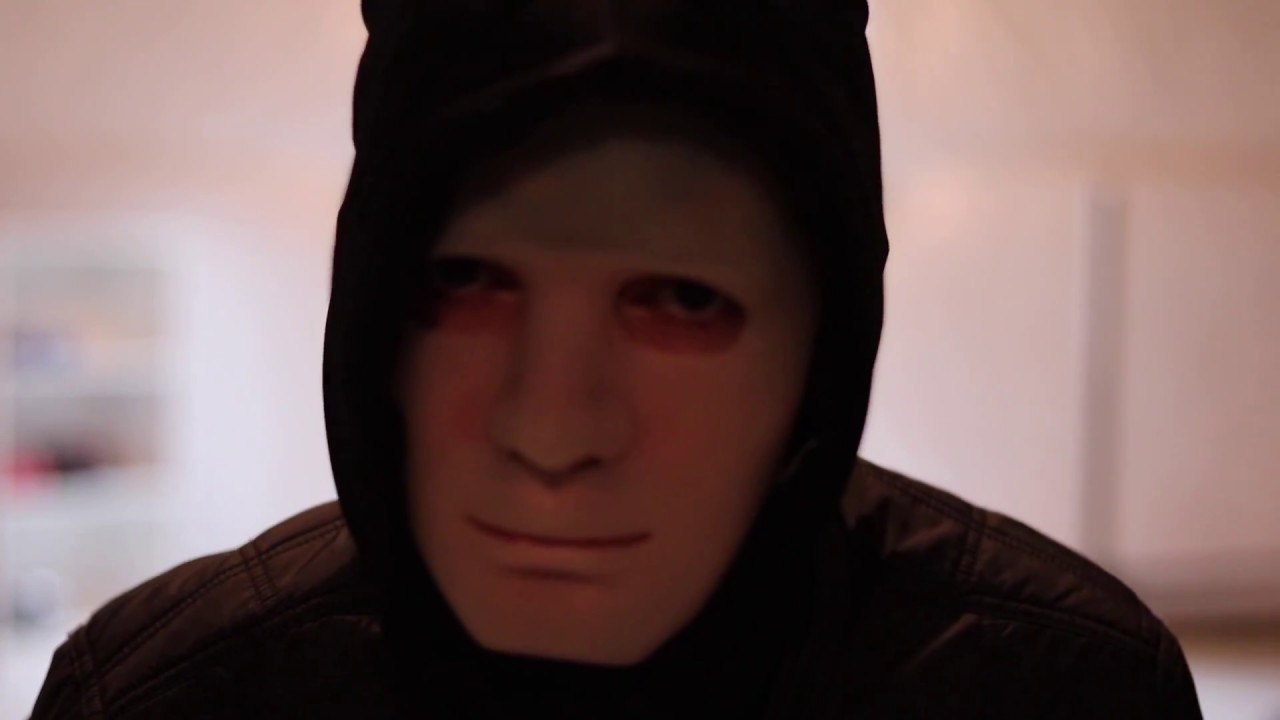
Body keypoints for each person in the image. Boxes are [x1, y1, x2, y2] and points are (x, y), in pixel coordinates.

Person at [31, 1, 1204, 718]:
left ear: (824, 349)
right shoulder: (165, 699)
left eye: (681, 299)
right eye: (463, 281)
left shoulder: (1059, 690)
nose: (551, 432)